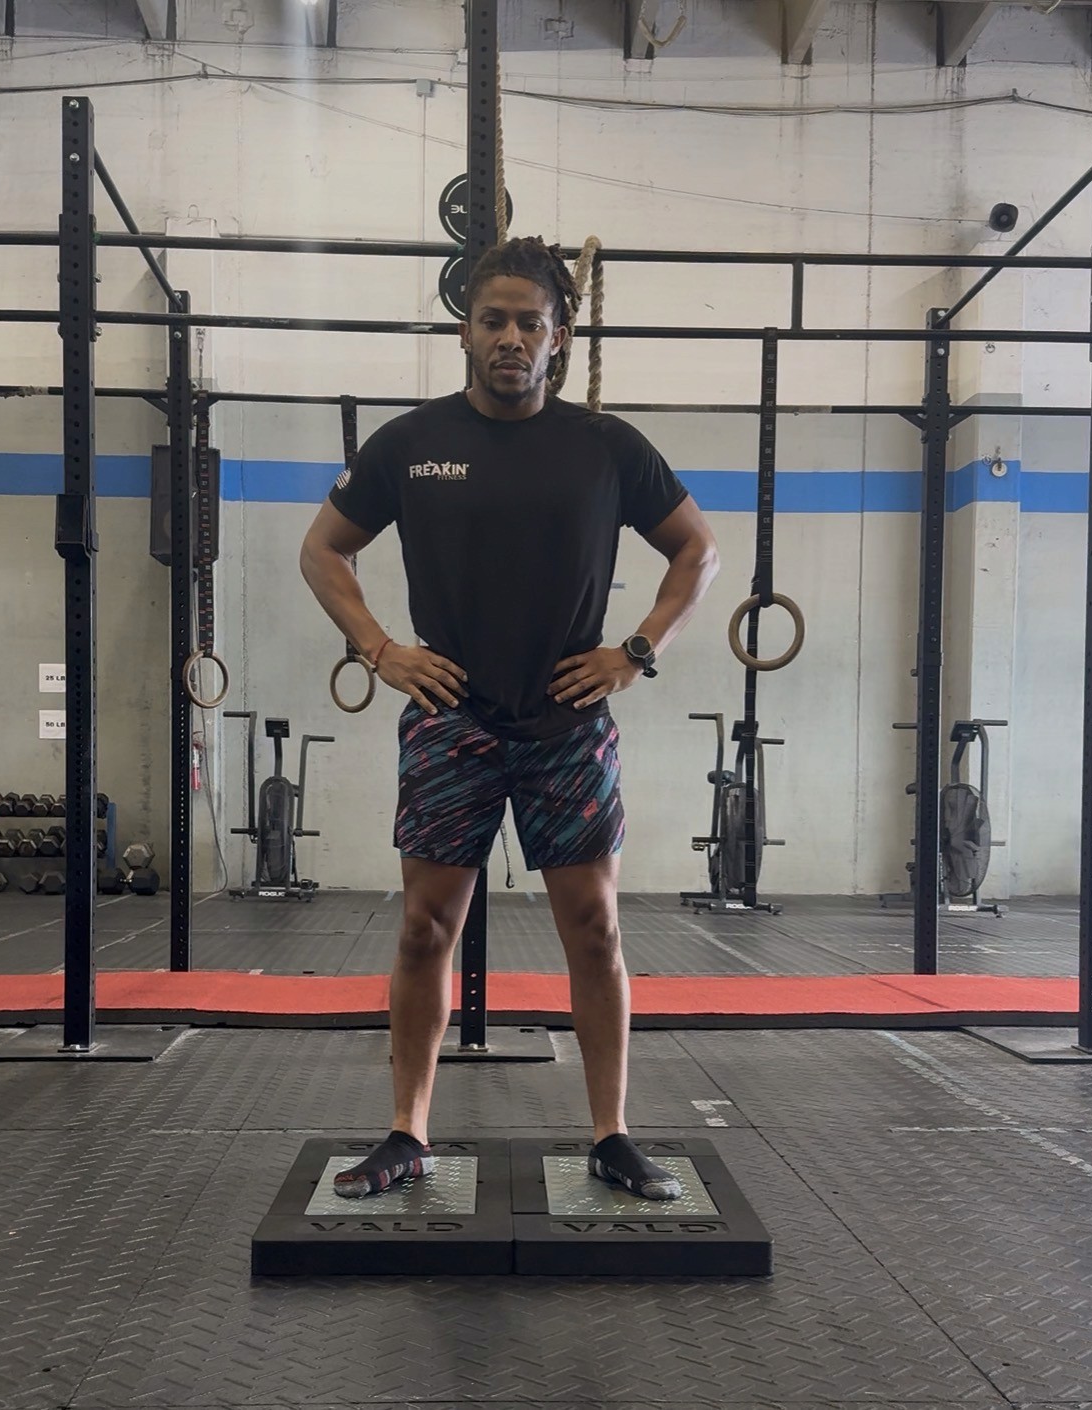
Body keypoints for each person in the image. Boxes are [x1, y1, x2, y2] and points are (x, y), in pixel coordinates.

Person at [300, 236, 720, 1201]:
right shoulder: (410, 444)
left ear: (557, 337)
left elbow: (695, 550)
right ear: (465, 332)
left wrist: (636, 653)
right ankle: (407, 1131)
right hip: (451, 723)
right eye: (493, 320)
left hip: (567, 726)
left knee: (596, 930)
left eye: (529, 322)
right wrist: (379, 648)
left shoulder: (605, 447)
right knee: (422, 930)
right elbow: (324, 550)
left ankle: (611, 1134)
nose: (510, 337)